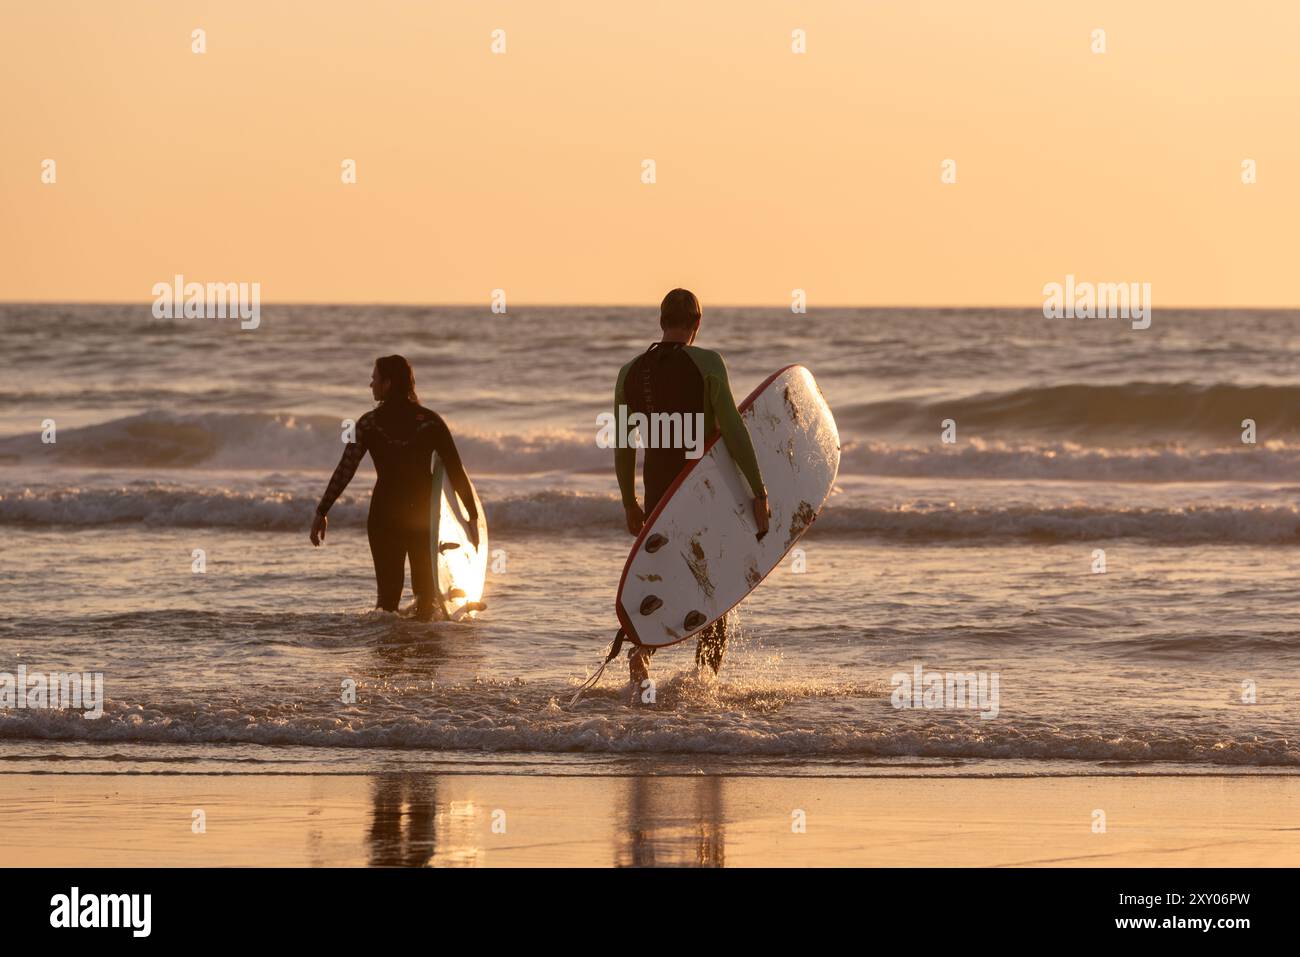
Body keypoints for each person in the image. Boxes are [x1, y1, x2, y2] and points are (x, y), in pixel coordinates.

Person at [614, 289, 768, 684]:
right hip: (703, 496)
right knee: (715, 591)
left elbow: (622, 443)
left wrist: (630, 502)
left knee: (666, 579)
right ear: (697, 323)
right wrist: (759, 491)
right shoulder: (707, 364)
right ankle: (704, 687)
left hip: (658, 498)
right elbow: (733, 430)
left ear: (661, 321)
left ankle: (642, 654)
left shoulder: (629, 372)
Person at [310, 355, 477, 620]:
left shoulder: (368, 423)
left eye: (374, 378)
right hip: (422, 517)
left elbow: (345, 469)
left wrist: (322, 511)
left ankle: (387, 654)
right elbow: (456, 472)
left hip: (384, 516)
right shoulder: (431, 421)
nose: (370, 385)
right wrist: (472, 518)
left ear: (387, 384)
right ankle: (425, 655)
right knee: (425, 595)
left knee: (387, 601)